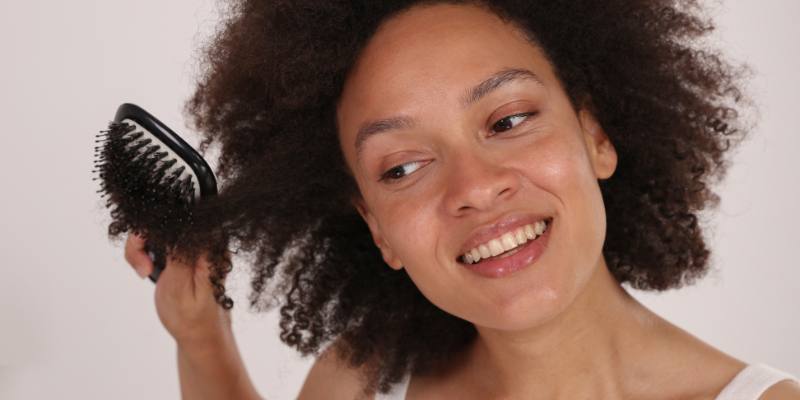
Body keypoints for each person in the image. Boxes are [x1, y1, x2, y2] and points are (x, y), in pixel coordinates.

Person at [122, 1, 799, 399]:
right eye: (405, 166)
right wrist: (200, 334)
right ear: (377, 229)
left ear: (595, 136)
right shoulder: (365, 380)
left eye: (508, 122)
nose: (475, 188)